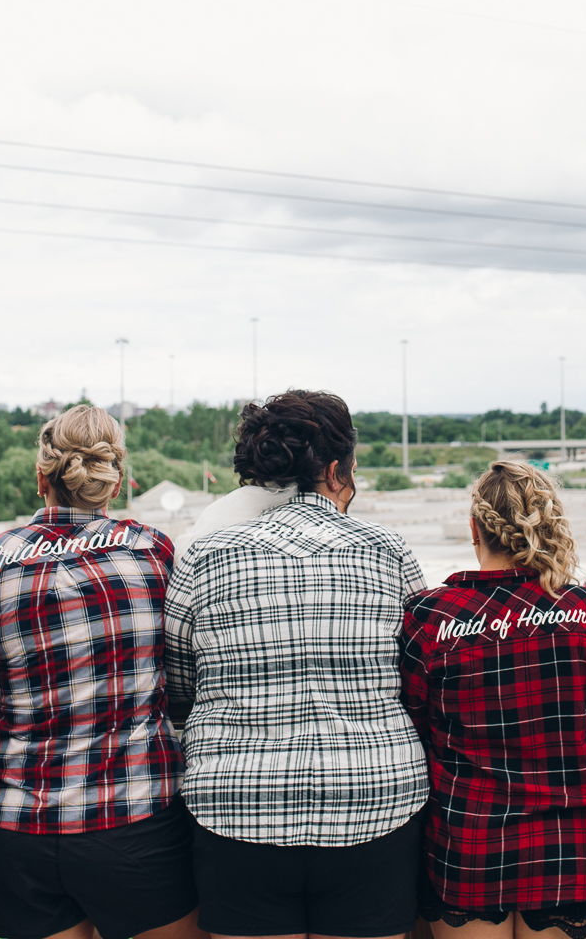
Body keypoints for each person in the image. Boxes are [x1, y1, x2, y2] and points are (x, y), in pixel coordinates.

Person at [164, 390, 428, 939]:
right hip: (373, 798)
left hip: (236, 807)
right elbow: (418, 671)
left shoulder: (205, 554)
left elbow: (179, 683)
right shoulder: (389, 551)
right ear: (337, 469)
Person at [0, 405, 203, 939]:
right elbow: (180, 665)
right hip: (134, 815)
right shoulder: (152, 550)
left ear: (41, 478)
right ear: (115, 479)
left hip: (21, 820)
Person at [398, 461, 586, 939]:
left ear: (474, 529)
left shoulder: (429, 618)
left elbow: (415, 724)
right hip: (567, 841)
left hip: (468, 840)